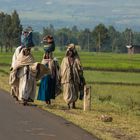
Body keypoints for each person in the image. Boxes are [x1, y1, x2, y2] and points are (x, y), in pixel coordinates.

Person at [37, 36, 59, 105]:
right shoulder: (44, 61)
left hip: (50, 74)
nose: (48, 55)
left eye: (49, 54)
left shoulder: (52, 61)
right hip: (45, 76)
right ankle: (46, 100)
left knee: (50, 86)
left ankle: (48, 99)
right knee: (46, 86)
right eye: (47, 54)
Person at [60, 43, 83, 109]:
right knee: (67, 91)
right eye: (69, 51)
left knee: (75, 92)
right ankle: (68, 104)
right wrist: (61, 77)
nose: (70, 53)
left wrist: (80, 74)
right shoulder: (64, 60)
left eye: (71, 51)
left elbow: (80, 68)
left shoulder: (76, 60)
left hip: (75, 78)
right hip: (66, 78)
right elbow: (62, 69)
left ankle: (73, 104)